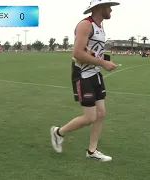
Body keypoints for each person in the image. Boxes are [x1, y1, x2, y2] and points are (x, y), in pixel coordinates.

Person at [50, 0, 120, 162]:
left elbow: (91, 51)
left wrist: (104, 60)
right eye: (109, 7)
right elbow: (77, 53)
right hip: (82, 74)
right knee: (90, 117)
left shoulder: (100, 27)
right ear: (99, 8)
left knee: (101, 114)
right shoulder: (85, 25)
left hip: (94, 74)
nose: (111, 10)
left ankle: (91, 151)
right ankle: (58, 132)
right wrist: (103, 63)